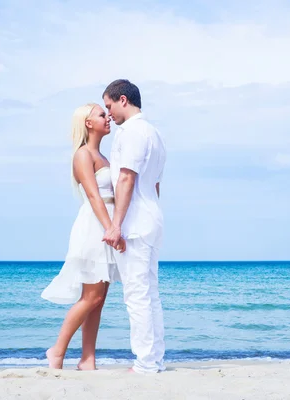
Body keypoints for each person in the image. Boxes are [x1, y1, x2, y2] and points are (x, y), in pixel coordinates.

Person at [41, 103, 125, 370]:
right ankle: (57, 351)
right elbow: (93, 195)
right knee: (91, 296)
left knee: (99, 300)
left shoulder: (105, 157)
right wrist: (110, 227)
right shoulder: (82, 155)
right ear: (88, 123)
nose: (108, 117)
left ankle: (87, 359)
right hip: (95, 226)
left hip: (108, 224)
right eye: (102, 114)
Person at [102, 79, 167, 373]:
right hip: (151, 218)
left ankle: (145, 363)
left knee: (136, 294)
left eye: (109, 106)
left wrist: (116, 225)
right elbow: (154, 184)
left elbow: (126, 178)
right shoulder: (154, 133)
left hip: (136, 223)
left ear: (123, 100)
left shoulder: (132, 133)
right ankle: (153, 359)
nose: (109, 114)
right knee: (149, 293)